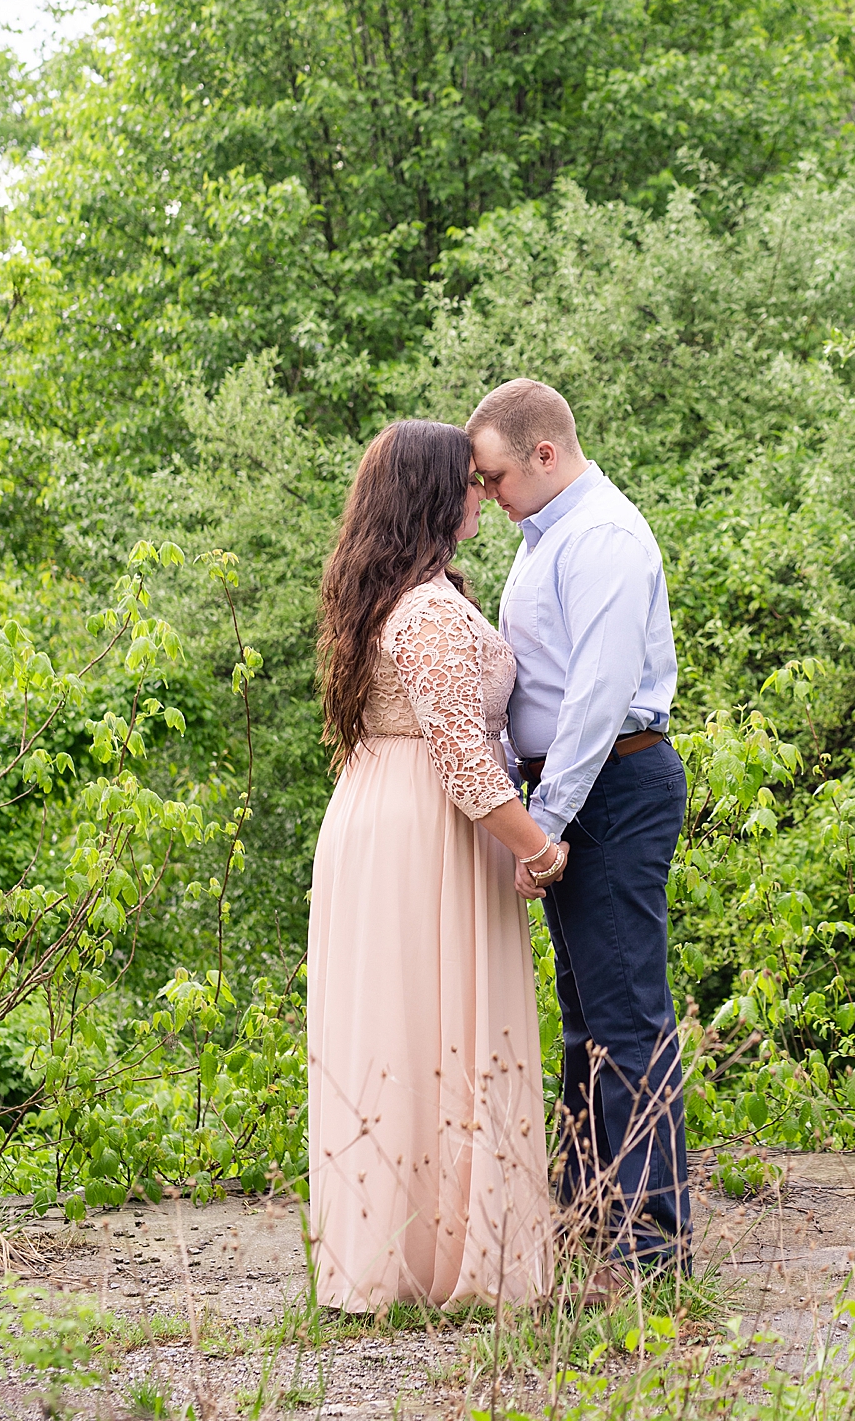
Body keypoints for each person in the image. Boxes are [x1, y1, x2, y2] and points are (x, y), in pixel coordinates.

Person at [307, 419, 565, 1311]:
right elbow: (461, 754)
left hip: (383, 808)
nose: (483, 493)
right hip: (424, 823)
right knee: (427, 1025)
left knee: (404, 1025)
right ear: (430, 495)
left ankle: (409, 1246)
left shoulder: (391, 594)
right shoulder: (421, 611)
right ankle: (437, 1259)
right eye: (467, 481)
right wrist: (541, 848)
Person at [467, 379, 691, 1288]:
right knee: (587, 1022)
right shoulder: (546, 535)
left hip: (610, 785)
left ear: (545, 456)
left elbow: (595, 697)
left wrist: (545, 826)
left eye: (495, 477)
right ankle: (591, 1216)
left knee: (627, 1017)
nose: (485, 496)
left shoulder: (598, 538)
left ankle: (649, 1253)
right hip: (577, 786)